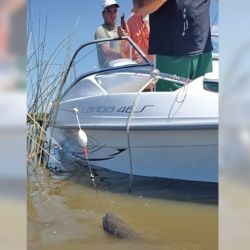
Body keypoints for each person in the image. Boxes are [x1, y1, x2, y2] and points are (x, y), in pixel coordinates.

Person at [132, 0, 213, 91]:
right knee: (170, 104)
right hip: (170, 55)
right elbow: (140, 7)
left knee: (206, 103)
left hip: (205, 52)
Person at [95, 0, 128, 67]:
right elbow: (106, 52)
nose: (112, 14)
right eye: (109, 11)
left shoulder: (118, 32)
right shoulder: (101, 30)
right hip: (108, 73)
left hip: (121, 70)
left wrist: (124, 38)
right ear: (103, 14)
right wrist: (126, 57)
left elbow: (126, 49)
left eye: (114, 11)